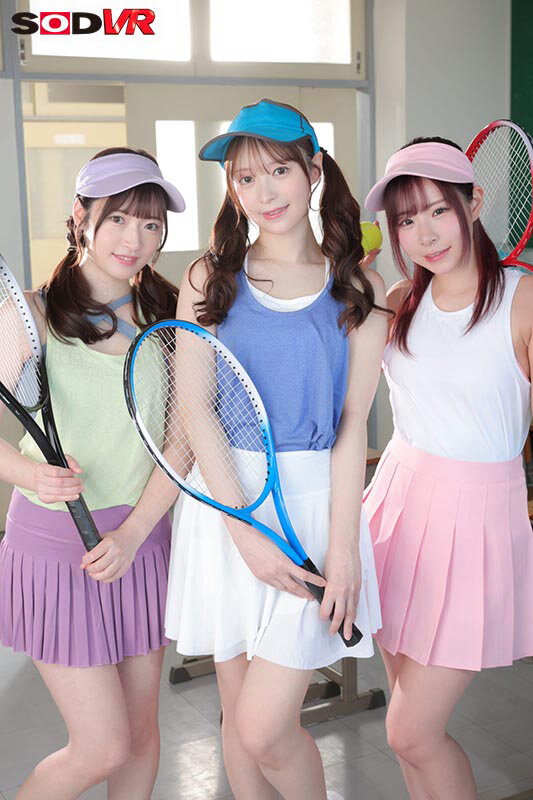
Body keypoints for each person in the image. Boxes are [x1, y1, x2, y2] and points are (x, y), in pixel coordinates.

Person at [165, 98, 387, 800]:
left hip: (315, 512)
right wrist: (244, 532)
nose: (264, 192)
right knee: (239, 726)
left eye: (279, 171)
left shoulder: (359, 288)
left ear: (313, 170)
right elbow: (196, 411)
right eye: (245, 178)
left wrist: (343, 551)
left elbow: (352, 426)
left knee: (265, 730)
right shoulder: (208, 278)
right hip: (227, 508)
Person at [0, 147, 185, 800]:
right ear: (81, 217)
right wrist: (28, 474)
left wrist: (134, 533)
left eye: (151, 224)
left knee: (140, 733)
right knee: (102, 745)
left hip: (140, 540)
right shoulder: (32, 315)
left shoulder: (170, 314)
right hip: (55, 549)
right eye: (119, 220)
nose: (135, 240)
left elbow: (181, 442)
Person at [363, 136, 533, 799]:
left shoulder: (522, 298)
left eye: (438, 211)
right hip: (395, 511)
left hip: (476, 525)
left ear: (475, 202)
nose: (425, 234)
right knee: (404, 734)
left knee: (411, 731)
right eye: (406, 220)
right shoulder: (398, 298)